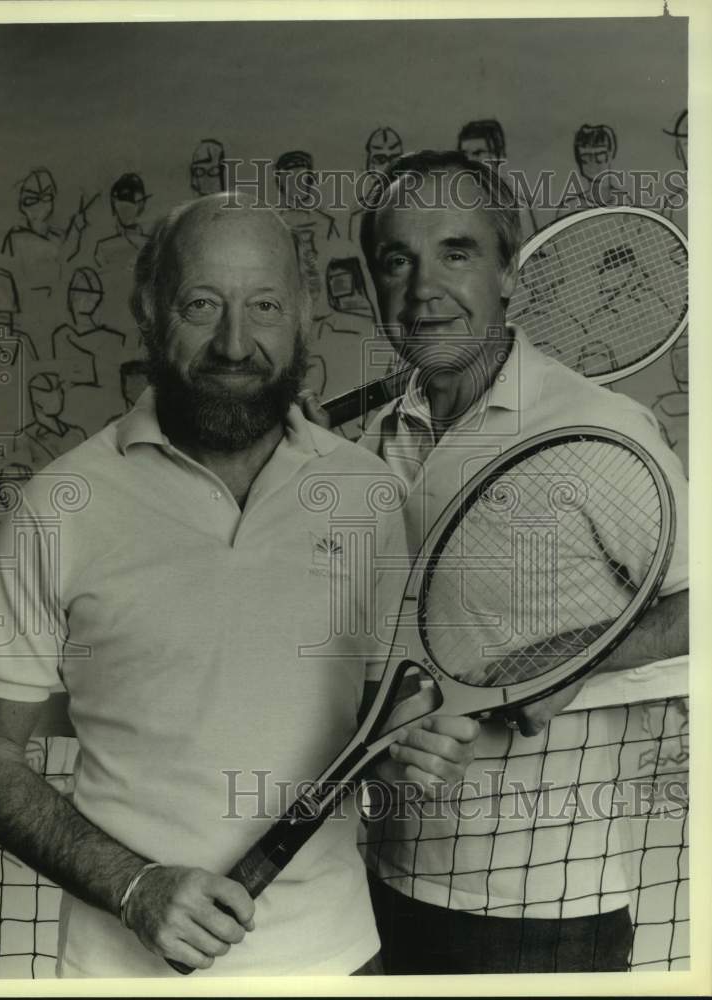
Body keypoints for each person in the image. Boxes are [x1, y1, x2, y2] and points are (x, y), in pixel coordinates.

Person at [0, 193, 480, 978]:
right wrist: (132, 886)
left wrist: (407, 749)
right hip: (118, 971)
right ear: (148, 309)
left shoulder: (367, 495)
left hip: (340, 960)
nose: (235, 343)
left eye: (265, 305)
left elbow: (376, 730)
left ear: (304, 316)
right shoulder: (58, 505)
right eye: (202, 304)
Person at [305, 149, 688, 973]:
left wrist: (563, 660)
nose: (420, 288)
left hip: (544, 916)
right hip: (378, 884)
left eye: (456, 252)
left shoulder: (602, 428)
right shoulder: (371, 446)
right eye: (394, 261)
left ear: (509, 273)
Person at [556, 124, 631, 217]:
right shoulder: (569, 208)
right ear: (579, 160)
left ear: (611, 155)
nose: (593, 162)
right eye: (585, 156)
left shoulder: (625, 203)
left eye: (600, 155)